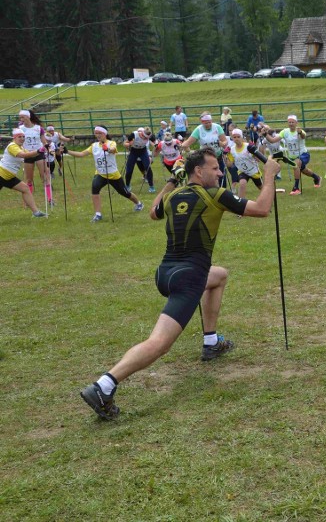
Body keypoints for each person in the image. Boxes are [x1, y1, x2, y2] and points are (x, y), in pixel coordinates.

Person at [79, 148, 281, 420]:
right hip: (188, 278)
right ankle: (104, 385)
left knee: (219, 275)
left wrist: (172, 181)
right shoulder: (214, 195)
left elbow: (153, 212)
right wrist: (268, 175)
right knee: (159, 343)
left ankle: (210, 342)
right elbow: (262, 209)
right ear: (199, 171)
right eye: (215, 168)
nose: (220, 173)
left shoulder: (174, 195)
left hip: (166, 273)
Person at [62, 126, 144, 222]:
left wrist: (108, 149)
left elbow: (113, 149)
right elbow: (82, 154)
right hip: (101, 174)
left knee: (125, 193)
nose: (97, 135)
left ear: (104, 134)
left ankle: (138, 203)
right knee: (95, 188)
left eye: (99, 133)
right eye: (96, 133)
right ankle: (98, 214)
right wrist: (67, 151)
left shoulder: (111, 143)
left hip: (113, 175)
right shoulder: (94, 146)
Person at [264, 115, 321, 195]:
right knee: (304, 170)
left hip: (303, 154)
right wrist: (265, 135)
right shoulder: (285, 131)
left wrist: (300, 132)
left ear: (296, 123)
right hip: (292, 156)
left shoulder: (299, 131)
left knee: (296, 165)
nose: (291, 124)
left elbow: (303, 136)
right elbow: (273, 140)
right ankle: (316, 177)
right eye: (289, 122)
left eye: (292, 122)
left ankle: (296, 188)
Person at [0, 128, 48, 217]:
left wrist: (44, 149)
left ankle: (36, 213)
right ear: (14, 138)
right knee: (25, 188)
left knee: (25, 189)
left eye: (23, 137)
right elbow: (23, 155)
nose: (22, 138)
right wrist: (38, 151)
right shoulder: (12, 146)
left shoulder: (21, 147)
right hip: (2, 175)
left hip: (8, 177)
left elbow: (30, 154)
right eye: (19, 137)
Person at [181, 113, 229, 187]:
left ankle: (223, 195)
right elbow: (186, 144)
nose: (208, 124)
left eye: (210, 122)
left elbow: (225, 141)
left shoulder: (217, 127)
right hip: (205, 159)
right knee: (208, 179)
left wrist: (222, 144)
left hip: (218, 157)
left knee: (221, 178)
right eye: (206, 123)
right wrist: (191, 151)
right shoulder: (198, 130)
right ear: (202, 122)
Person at [17, 109, 52, 207]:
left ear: (28, 117)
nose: (21, 119)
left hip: (39, 154)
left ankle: (50, 199)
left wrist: (46, 147)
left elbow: (44, 141)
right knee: (28, 179)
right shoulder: (20, 128)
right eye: (20, 117)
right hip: (28, 155)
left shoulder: (38, 128)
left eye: (22, 117)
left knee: (44, 176)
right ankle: (29, 201)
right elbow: (17, 141)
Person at [225, 129, 263, 198]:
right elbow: (229, 165)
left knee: (261, 188)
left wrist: (254, 151)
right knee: (242, 183)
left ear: (242, 137)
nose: (236, 139)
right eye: (234, 137)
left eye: (238, 137)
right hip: (242, 171)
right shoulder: (232, 150)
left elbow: (258, 159)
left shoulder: (248, 146)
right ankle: (241, 204)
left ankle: (268, 200)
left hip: (253, 171)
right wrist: (225, 155)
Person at [124, 127, 157, 193]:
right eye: (144, 137)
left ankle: (151, 186)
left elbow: (155, 141)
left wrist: (155, 144)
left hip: (143, 151)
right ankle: (127, 185)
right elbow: (124, 143)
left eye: (147, 138)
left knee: (148, 167)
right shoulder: (134, 135)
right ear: (142, 134)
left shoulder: (150, 135)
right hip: (134, 151)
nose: (145, 139)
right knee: (129, 169)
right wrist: (129, 144)